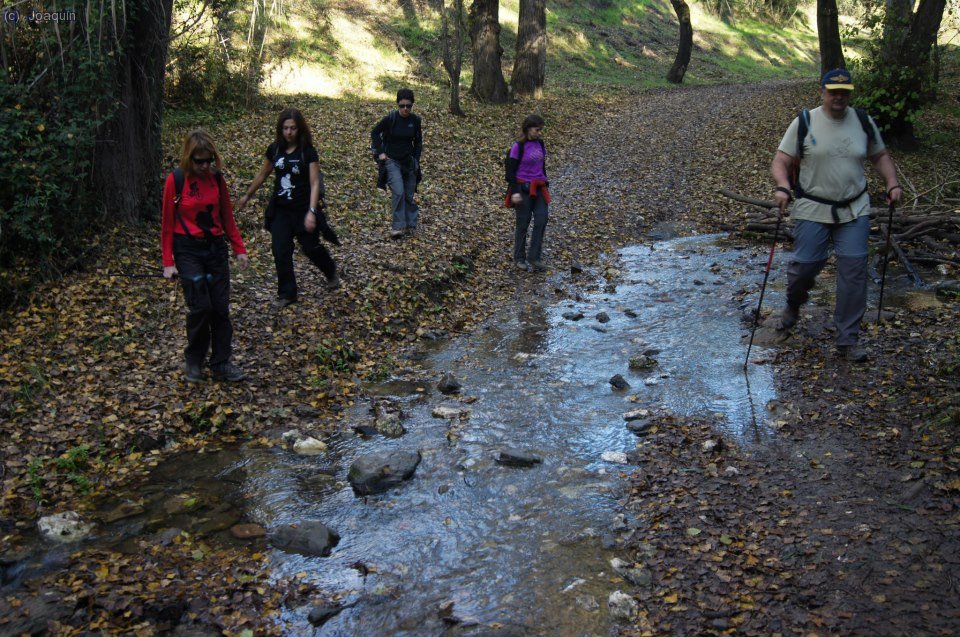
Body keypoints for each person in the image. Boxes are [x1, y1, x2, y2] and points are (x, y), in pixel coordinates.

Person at [771, 68, 902, 362]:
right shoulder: (805, 121)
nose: (839, 97)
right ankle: (794, 304)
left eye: (844, 92)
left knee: (854, 272)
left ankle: (847, 340)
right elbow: (781, 160)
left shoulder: (863, 121)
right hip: (812, 207)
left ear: (850, 93)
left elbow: (880, 156)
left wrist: (892, 183)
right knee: (805, 267)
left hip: (854, 208)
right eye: (833, 91)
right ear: (822, 92)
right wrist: (782, 187)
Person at [161, 130, 249, 382]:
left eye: (209, 160)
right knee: (201, 307)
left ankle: (221, 362)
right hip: (187, 249)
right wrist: (168, 262)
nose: (204, 165)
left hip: (215, 248)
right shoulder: (176, 181)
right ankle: (194, 360)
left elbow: (227, 217)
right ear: (189, 159)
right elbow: (167, 224)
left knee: (220, 308)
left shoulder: (217, 180)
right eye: (199, 161)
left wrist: (239, 249)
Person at [236, 108, 339, 307]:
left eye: (292, 128)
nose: (289, 132)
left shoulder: (308, 152)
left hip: (303, 208)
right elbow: (263, 174)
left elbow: (315, 182)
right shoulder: (274, 150)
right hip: (281, 210)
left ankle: (330, 271)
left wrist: (311, 212)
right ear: (280, 129)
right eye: (285, 128)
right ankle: (287, 293)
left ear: (299, 129)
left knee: (311, 248)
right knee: (280, 250)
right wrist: (247, 195)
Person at [371, 88, 423, 239]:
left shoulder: (415, 121)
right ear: (398, 105)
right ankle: (397, 227)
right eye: (402, 106)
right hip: (392, 161)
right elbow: (374, 132)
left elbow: (418, 141)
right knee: (398, 192)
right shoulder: (391, 118)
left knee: (408, 195)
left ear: (412, 105)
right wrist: (381, 152)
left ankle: (410, 224)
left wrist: (416, 160)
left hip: (409, 161)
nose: (405, 109)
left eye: (408, 106)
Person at [505, 114, 550, 273]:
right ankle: (519, 258)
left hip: (539, 188)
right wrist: (515, 192)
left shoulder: (541, 144)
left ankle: (534, 257)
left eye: (540, 130)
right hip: (522, 189)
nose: (539, 133)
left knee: (541, 218)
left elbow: (541, 165)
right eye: (537, 129)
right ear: (528, 128)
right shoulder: (518, 147)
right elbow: (510, 172)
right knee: (523, 224)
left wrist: (545, 180)